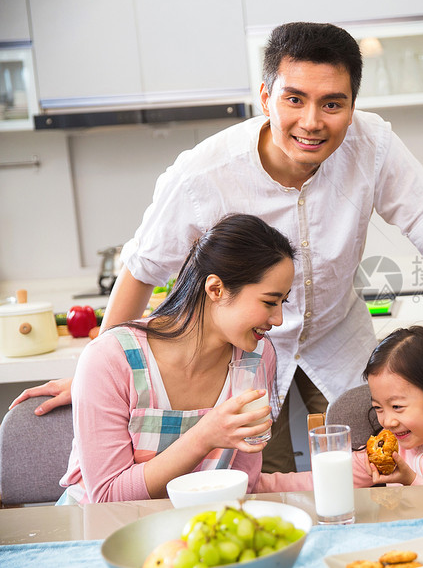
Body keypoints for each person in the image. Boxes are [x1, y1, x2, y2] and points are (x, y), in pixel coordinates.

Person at [12, 21, 423, 474]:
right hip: (242, 354)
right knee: (259, 483)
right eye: (294, 99)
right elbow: (141, 272)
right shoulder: (204, 173)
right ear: (264, 97)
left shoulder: (375, 146)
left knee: (376, 468)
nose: (312, 121)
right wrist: (99, 372)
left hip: (338, 336)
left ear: (352, 106)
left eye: (333, 103)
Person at [59, 214, 295, 504]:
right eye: (269, 302)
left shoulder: (257, 356)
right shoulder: (109, 359)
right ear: (216, 289)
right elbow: (108, 499)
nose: (279, 319)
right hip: (101, 532)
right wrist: (205, 436)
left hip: (197, 527)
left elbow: (244, 485)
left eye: (283, 302)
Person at [258, 326, 423, 492]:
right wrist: (255, 484)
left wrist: (410, 480)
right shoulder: (382, 454)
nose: (388, 421)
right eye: (378, 408)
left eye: (397, 406)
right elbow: (319, 483)